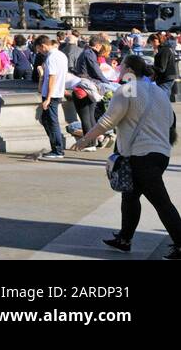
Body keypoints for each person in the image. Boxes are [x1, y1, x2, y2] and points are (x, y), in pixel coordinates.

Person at [73, 55, 181, 260]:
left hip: (141, 156)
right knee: (130, 197)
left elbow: (108, 121)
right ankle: (124, 239)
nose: (119, 68)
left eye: (122, 65)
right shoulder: (158, 91)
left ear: (129, 69)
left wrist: (85, 139)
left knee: (161, 202)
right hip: (160, 153)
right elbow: (170, 121)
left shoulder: (127, 89)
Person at [33, 35, 67, 161]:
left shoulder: (51, 58)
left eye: (39, 49)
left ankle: (57, 150)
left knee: (52, 122)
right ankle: (56, 148)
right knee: (47, 120)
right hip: (57, 93)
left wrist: (48, 98)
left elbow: (52, 77)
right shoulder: (61, 55)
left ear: (43, 46)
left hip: (51, 94)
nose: (39, 52)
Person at [151, 33, 178, 101]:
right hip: (167, 77)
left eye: (151, 43)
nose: (151, 45)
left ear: (155, 41)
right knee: (164, 101)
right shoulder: (166, 49)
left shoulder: (163, 51)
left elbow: (161, 69)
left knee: (162, 100)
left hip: (165, 78)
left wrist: (151, 67)